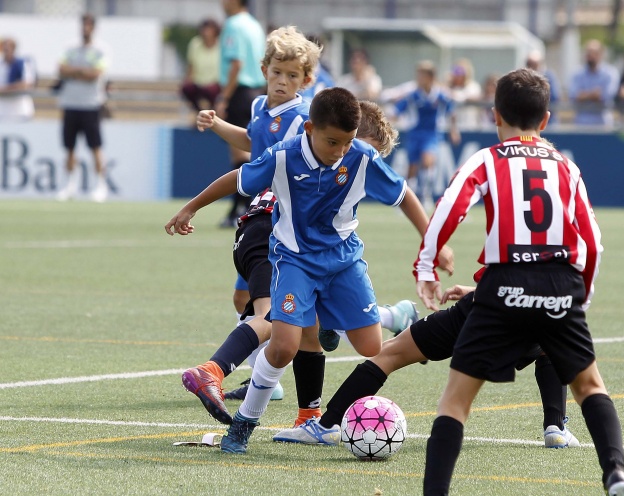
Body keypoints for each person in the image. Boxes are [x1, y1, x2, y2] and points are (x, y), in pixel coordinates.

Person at [164, 87, 453, 455]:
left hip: (344, 261)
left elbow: (403, 196)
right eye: (333, 142)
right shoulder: (283, 157)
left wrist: (433, 243)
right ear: (310, 128)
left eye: (347, 142)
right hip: (294, 261)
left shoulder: (361, 157)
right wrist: (190, 208)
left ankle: (329, 318)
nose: (341, 151)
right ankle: (244, 424)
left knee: (371, 346)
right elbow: (237, 179)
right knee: (284, 346)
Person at [414, 68, 624, 495]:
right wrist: (579, 299)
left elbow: (449, 207)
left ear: (495, 116)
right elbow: (591, 242)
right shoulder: (566, 167)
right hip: (559, 284)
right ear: (546, 120)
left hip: (504, 283)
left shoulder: (487, 159)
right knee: (590, 385)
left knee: (456, 401)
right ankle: (616, 473)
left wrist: (426, 269)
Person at [177, 25, 321, 425]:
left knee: (258, 308)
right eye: (278, 72)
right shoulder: (260, 107)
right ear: (264, 70)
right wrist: (219, 125)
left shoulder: (306, 119)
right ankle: (226, 372)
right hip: (267, 222)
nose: (283, 81)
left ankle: (258, 379)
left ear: (305, 80)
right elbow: (253, 145)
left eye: (293, 76)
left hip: (269, 219)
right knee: (265, 311)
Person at [271, 283, 580, 450]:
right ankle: (555, 427)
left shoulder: (504, 187)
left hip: (484, 307)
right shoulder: (567, 203)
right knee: (550, 344)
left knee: (387, 354)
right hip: (540, 309)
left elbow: (507, 270)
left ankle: (326, 427)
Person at [216, 0, 266, 227]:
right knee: (250, 151)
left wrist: (224, 96)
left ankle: (241, 208)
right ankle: (241, 207)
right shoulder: (255, 25)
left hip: (239, 91)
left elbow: (237, 63)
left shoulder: (233, 25)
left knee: (240, 155)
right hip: (256, 92)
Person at [55, 14, 110, 203]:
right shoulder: (70, 47)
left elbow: (96, 74)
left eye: (88, 26)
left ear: (93, 28)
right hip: (70, 103)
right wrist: (81, 71)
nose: (85, 29)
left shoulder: (100, 49)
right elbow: (61, 68)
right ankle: (70, 186)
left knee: (95, 147)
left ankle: (101, 185)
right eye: (83, 25)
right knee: (69, 147)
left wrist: (75, 71)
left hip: (90, 104)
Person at [391, 60, 460, 209]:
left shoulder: (440, 95)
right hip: (414, 134)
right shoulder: (412, 95)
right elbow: (396, 112)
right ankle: (407, 200)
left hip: (431, 134)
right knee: (412, 168)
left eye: (422, 75)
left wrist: (454, 130)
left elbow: (452, 112)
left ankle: (426, 196)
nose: (419, 79)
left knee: (428, 162)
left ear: (430, 77)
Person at [569, 39, 619, 127]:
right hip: (581, 123)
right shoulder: (577, 74)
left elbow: (606, 95)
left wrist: (584, 95)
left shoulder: (610, 73)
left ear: (601, 54)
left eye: (593, 53)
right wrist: (593, 94)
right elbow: (573, 95)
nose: (590, 56)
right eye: (588, 53)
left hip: (603, 124)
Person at [180, 19, 221, 112]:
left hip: (215, 84)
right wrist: (188, 80)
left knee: (213, 92)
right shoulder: (195, 44)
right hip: (199, 83)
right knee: (187, 89)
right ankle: (200, 112)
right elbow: (191, 65)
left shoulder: (221, 46)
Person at [0, 38, 35, 121]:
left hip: (20, 111)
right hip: (2, 111)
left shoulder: (22, 63)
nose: (6, 50)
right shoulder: (1, 64)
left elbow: (27, 83)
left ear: (14, 49)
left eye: (8, 48)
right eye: (4, 48)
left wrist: (6, 89)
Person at [525, 50, 561, 125]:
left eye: (534, 64)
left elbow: (555, 97)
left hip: (549, 122)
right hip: (527, 122)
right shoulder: (522, 78)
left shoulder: (549, 77)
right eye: (529, 64)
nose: (531, 68)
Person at [447, 58, 482, 130]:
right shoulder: (448, 87)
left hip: (469, 126)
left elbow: (475, 98)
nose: (458, 76)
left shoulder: (473, 86)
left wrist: (459, 97)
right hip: (450, 127)